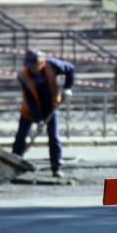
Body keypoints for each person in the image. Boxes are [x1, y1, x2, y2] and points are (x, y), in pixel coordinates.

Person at [11, 49, 75, 178]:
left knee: (54, 138)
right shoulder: (24, 75)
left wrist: (67, 88)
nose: (32, 69)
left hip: (51, 107)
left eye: (34, 66)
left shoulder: (52, 65)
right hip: (29, 110)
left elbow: (71, 69)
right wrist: (39, 120)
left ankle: (57, 167)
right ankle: (12, 166)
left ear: (41, 63)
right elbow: (29, 99)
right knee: (20, 137)